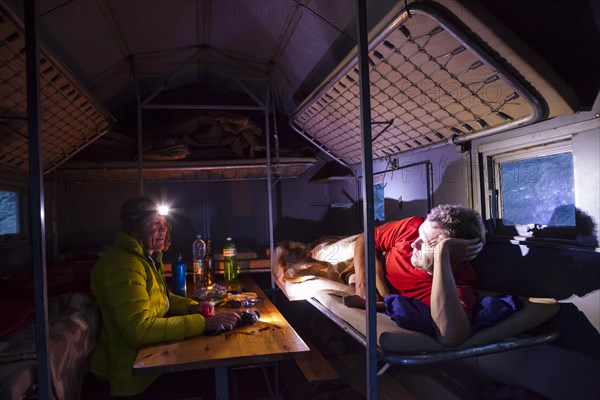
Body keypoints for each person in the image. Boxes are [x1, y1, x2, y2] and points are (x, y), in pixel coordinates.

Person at [89, 196, 241, 397]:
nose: (164, 230)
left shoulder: (144, 258)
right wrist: (202, 324)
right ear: (133, 228)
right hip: (131, 376)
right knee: (213, 374)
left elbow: (159, 297)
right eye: (154, 224)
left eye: (165, 224)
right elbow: (138, 329)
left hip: (148, 359)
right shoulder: (123, 265)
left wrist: (191, 307)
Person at [353, 204, 485, 347]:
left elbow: (450, 337)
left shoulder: (459, 286)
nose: (414, 243)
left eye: (426, 242)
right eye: (419, 235)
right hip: (370, 256)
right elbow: (366, 238)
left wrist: (442, 251)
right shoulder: (413, 226)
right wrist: (362, 284)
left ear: (452, 255)